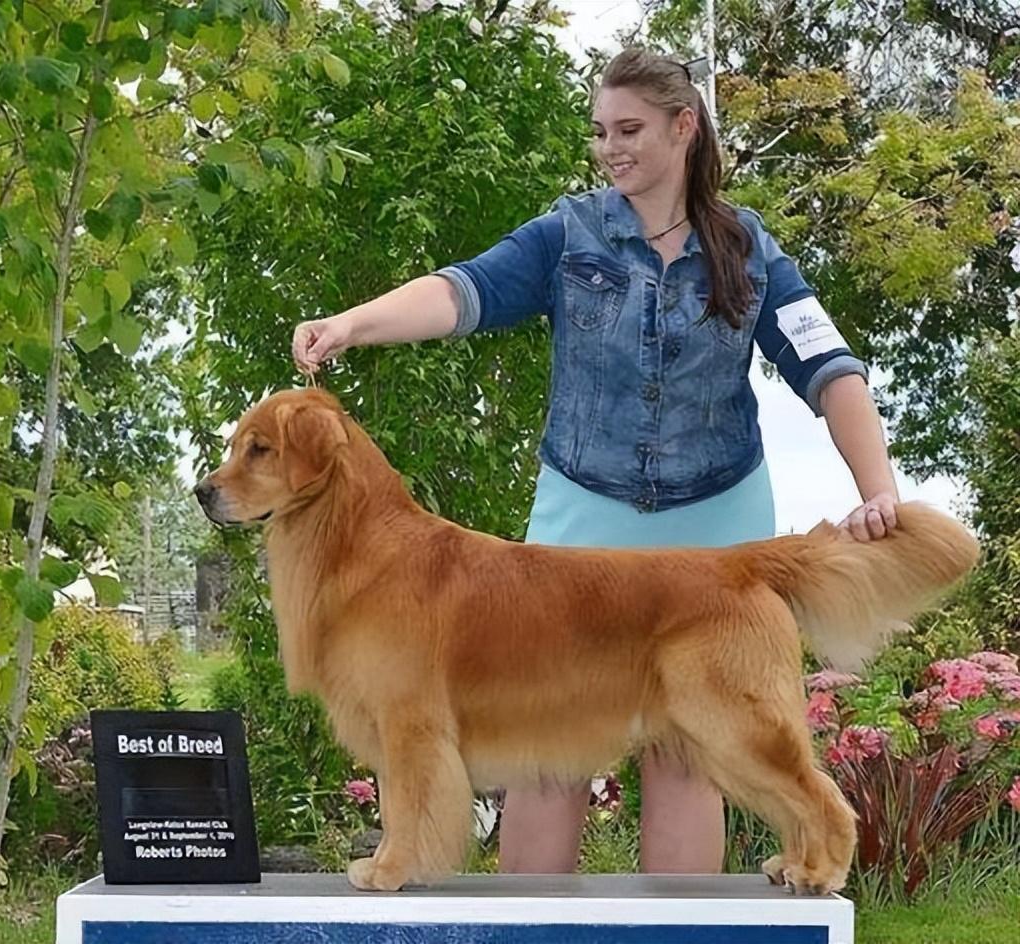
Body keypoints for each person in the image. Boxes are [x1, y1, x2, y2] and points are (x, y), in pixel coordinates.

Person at [291, 48, 900, 877]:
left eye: (629, 130)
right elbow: (464, 291)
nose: (610, 148)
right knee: (547, 763)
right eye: (600, 132)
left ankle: (678, 942)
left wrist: (879, 491)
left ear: (684, 128)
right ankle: (528, 939)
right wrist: (354, 323)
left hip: (712, 526)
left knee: (688, 763)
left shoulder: (748, 247)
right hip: (584, 519)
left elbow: (829, 369)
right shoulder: (568, 232)